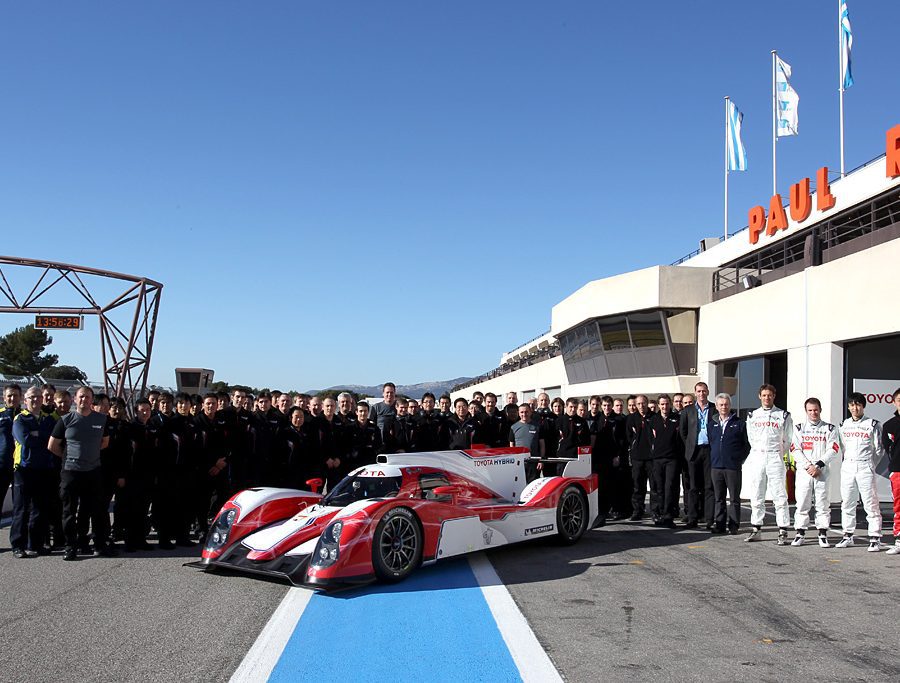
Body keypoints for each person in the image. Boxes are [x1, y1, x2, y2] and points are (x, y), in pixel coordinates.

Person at [48, 386, 111, 560]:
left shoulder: (101, 419)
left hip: (93, 471)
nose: (84, 400)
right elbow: (52, 445)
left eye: (88, 397)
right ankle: (71, 546)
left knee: (95, 510)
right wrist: (69, 458)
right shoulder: (66, 420)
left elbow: (104, 442)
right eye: (81, 397)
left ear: (92, 400)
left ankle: (97, 544)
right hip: (71, 472)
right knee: (69, 512)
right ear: (75, 399)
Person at [10, 387, 57, 558]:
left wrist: (38, 435)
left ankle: (35, 544)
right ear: (25, 400)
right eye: (32, 397)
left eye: (38, 397)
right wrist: (41, 437)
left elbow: (54, 438)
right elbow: (25, 440)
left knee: (39, 508)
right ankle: (18, 545)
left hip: (44, 468)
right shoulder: (20, 419)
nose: (36, 400)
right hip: (24, 468)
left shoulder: (48, 419)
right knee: (21, 509)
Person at [836, 392, 887, 551]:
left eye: (858, 404)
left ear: (863, 406)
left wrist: (870, 464)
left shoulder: (873, 424)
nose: (854, 408)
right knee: (847, 502)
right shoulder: (843, 425)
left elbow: (879, 450)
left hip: (865, 466)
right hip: (848, 467)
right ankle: (847, 535)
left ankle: (875, 537)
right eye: (851, 405)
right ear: (848, 407)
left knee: (870, 502)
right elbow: (843, 447)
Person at [744, 384, 793, 545]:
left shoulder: (783, 415)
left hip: (775, 457)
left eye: (769, 395)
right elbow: (750, 438)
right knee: (757, 493)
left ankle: (783, 529)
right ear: (759, 396)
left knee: (779, 495)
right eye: (764, 395)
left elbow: (788, 439)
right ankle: (756, 528)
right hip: (757, 456)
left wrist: (778, 454)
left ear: (774, 396)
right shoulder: (752, 415)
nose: (767, 398)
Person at [790, 398, 841, 548]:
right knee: (802, 502)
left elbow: (834, 449)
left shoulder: (830, 429)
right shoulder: (799, 428)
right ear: (806, 411)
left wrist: (818, 465)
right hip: (805, 471)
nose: (813, 413)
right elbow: (795, 449)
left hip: (822, 470)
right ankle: (800, 533)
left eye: (816, 409)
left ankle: (823, 533)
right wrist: (808, 466)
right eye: (810, 410)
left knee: (823, 503)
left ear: (820, 409)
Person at [708, 393, 750, 534]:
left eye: (726, 404)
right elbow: (711, 443)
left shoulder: (739, 423)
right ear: (716, 406)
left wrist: (738, 459)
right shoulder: (712, 424)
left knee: (734, 498)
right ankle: (719, 524)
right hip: (716, 467)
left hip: (732, 467)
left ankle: (733, 526)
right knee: (719, 498)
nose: (724, 407)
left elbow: (746, 445)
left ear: (730, 405)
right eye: (721, 404)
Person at [679, 382, 714, 530]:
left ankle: (709, 518)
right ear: (695, 393)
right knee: (693, 487)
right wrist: (690, 444)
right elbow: (683, 431)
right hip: (693, 451)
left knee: (708, 486)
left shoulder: (714, 408)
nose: (701, 394)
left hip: (709, 450)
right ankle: (692, 518)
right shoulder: (688, 410)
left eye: (704, 391)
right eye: (699, 391)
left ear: (708, 392)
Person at [649, 395, 682, 528]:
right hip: (657, 459)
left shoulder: (677, 419)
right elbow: (650, 439)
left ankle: (669, 515)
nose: (664, 407)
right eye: (662, 404)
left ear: (670, 404)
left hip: (671, 459)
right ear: (658, 405)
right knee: (659, 488)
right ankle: (660, 514)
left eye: (667, 404)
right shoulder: (653, 420)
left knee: (670, 487)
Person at [626, 395, 655, 520]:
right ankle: (638, 510)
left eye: (643, 403)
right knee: (638, 486)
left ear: (647, 403)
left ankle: (655, 511)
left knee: (655, 486)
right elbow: (628, 436)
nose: (641, 406)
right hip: (637, 457)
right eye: (638, 404)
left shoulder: (654, 417)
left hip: (652, 458)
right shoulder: (631, 418)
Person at [0, 384, 22, 519]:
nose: (12, 398)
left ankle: (19, 538)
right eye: (9, 395)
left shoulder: (25, 415)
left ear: (21, 397)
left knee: (20, 504)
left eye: (15, 395)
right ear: (4, 397)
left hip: (20, 467)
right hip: (1, 465)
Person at [882, 388, 900, 555]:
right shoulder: (889, 425)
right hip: (898, 471)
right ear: (894, 402)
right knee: (898, 507)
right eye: (899, 399)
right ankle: (898, 539)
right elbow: (887, 448)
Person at [509, 403, 544, 481]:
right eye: (522, 412)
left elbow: (542, 445)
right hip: (519, 463)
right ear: (518, 413)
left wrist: (541, 460)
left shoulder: (537, 426)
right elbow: (512, 445)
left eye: (526, 412)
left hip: (534, 462)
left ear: (530, 412)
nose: (524, 414)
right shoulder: (513, 427)